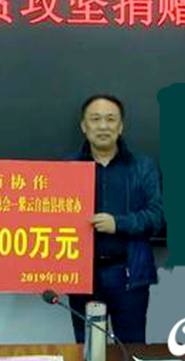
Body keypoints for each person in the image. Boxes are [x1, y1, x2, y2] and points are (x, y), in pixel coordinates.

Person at [68, 94, 165, 344]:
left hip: (129, 276)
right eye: (95, 119)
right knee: (89, 350)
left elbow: (157, 217)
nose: (103, 126)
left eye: (110, 119)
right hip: (83, 276)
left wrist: (118, 224)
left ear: (120, 126)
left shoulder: (143, 167)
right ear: (84, 126)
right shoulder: (67, 169)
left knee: (131, 348)